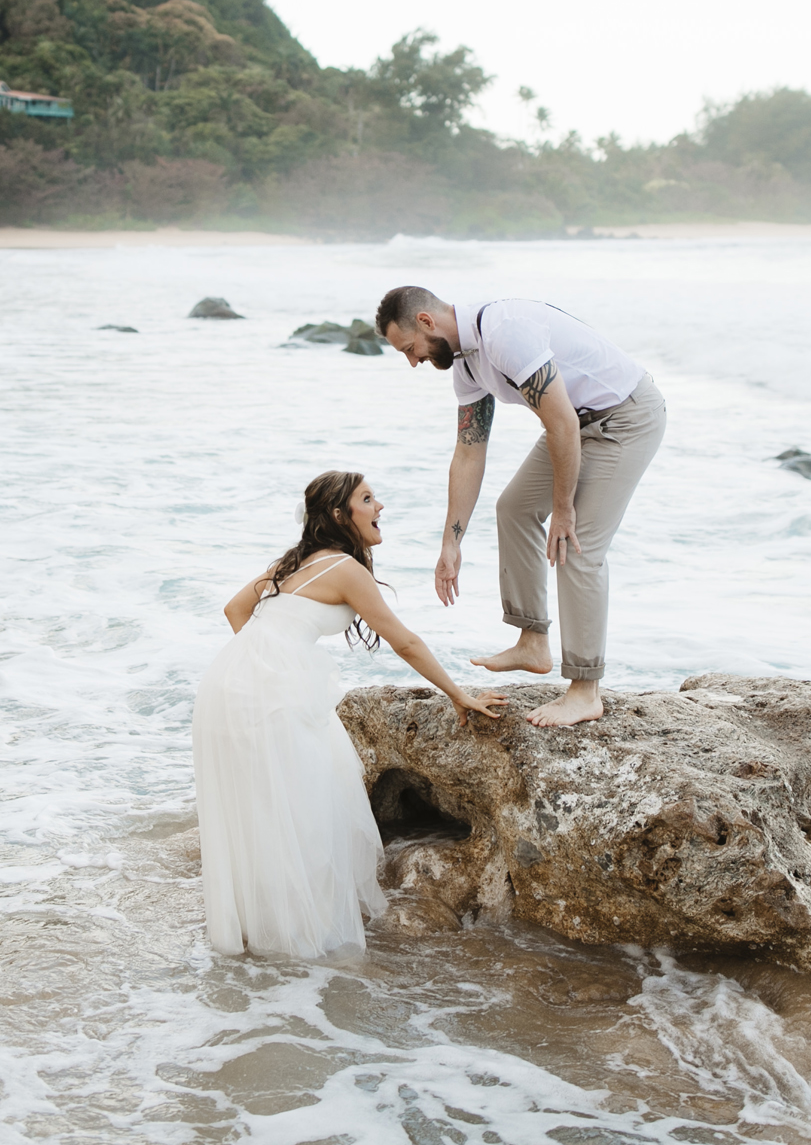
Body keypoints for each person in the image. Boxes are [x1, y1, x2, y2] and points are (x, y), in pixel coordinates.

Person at [194, 470, 506, 959]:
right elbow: (403, 640)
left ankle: (260, 937)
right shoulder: (343, 568)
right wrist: (456, 694)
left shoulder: (294, 562)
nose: (379, 506)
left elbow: (236, 611)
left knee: (267, 810)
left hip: (225, 688)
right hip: (265, 694)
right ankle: (301, 943)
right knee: (308, 810)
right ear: (341, 516)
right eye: (367, 499)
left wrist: (263, 670)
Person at [374, 287, 667, 728]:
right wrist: (451, 543)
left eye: (409, 349)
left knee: (576, 545)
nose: (412, 361)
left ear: (427, 322)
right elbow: (469, 453)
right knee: (513, 508)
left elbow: (562, 421)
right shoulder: (466, 363)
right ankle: (533, 642)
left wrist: (563, 510)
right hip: (574, 425)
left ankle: (585, 692)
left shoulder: (503, 332)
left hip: (623, 418)